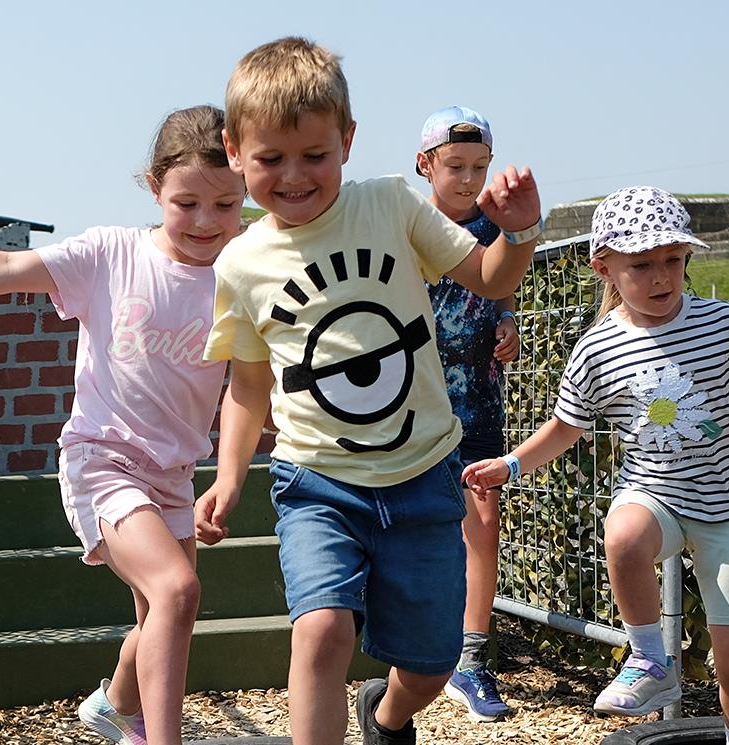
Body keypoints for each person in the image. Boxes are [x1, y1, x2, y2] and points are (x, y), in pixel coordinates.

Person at [0, 105, 244, 745]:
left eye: (225, 206)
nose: (205, 221)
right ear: (155, 188)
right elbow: (5, 270)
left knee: (160, 617)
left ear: (246, 189)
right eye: (187, 202)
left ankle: (114, 706)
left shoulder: (241, 271)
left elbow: (259, 378)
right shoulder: (111, 255)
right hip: (102, 461)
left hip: (173, 472)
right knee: (177, 590)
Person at [194, 37, 542, 745]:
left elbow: (491, 278)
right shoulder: (241, 263)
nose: (294, 176)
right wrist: (229, 478)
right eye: (270, 159)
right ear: (234, 150)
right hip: (319, 482)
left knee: (432, 664)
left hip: (422, 477)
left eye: (314, 155)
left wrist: (520, 230)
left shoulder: (389, 204)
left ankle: (386, 715)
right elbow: (248, 385)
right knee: (320, 632)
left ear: (347, 140)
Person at [463, 187, 729, 745]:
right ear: (604, 266)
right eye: (642, 265)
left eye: (673, 261)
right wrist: (511, 464)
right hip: (654, 494)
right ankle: (650, 659)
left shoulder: (722, 324)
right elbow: (565, 430)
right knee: (623, 534)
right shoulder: (597, 350)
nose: (661, 277)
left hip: (724, 506)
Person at [414, 104, 517, 722]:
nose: (467, 179)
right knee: (421, 527)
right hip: (413, 406)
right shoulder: (405, 224)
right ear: (425, 164)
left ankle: (472, 661)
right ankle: (420, 648)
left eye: (479, 166)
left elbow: (500, 287)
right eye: (454, 166)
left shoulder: (492, 225)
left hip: (477, 398)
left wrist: (507, 323)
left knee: (484, 523)